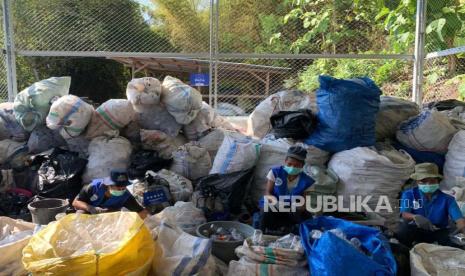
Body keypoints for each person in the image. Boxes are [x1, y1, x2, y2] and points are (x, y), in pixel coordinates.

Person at [396, 163, 465, 248]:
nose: (428, 184)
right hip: (416, 229)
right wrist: (415, 217)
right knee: (402, 230)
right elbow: (404, 214)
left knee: (456, 242)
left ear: (438, 181)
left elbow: (458, 218)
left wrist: (462, 226)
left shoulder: (448, 199)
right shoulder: (409, 194)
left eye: (432, 181)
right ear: (417, 182)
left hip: (438, 231)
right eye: (423, 181)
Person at [259, 145, 314, 233]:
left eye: (297, 165)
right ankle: (263, 233)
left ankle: (288, 231)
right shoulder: (275, 172)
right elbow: (268, 192)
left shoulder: (307, 181)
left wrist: (298, 206)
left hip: (291, 209)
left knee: (305, 217)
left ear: (302, 166)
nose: (292, 167)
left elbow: (303, 203)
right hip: (275, 205)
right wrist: (276, 203)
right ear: (285, 161)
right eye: (289, 164)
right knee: (266, 209)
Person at [72, 169, 148, 219]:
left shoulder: (126, 196)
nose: (121, 190)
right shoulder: (93, 187)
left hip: (109, 217)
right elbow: (75, 202)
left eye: (123, 188)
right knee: (80, 215)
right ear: (109, 185)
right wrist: (91, 208)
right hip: (88, 212)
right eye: (118, 188)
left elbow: (141, 212)